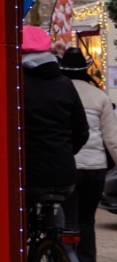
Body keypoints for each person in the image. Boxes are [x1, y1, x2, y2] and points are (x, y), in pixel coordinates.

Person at [59, 46, 117, 262]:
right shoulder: (99, 96)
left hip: (68, 166)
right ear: (85, 70)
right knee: (87, 221)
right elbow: (112, 139)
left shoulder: (59, 92)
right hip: (95, 169)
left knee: (66, 223)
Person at [22, 26, 88, 208]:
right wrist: (63, 152)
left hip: (27, 176)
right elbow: (82, 131)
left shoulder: (16, 85)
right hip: (65, 176)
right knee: (68, 216)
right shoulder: (65, 84)